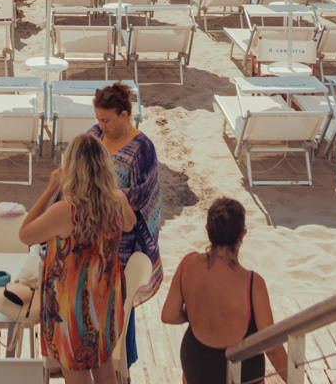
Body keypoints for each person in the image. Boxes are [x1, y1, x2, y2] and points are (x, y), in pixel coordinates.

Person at [20, 135, 136, 384]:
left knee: (77, 376)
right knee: (105, 370)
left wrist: (51, 188)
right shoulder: (116, 200)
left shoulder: (66, 211)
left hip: (71, 310)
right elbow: (130, 224)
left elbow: (25, 234)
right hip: (105, 302)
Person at [162, 197, 288, 384]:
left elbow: (169, 315)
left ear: (208, 230)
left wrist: (197, 312)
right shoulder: (252, 283)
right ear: (243, 235)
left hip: (197, 367)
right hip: (239, 375)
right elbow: (273, 350)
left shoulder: (188, 264)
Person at [90, 84, 163, 368]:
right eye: (98, 118)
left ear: (124, 115)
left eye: (106, 120)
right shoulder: (94, 136)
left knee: (118, 306)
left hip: (121, 243)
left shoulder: (142, 148)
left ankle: (121, 367)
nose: (101, 125)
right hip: (90, 238)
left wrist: (102, 197)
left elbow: (140, 198)